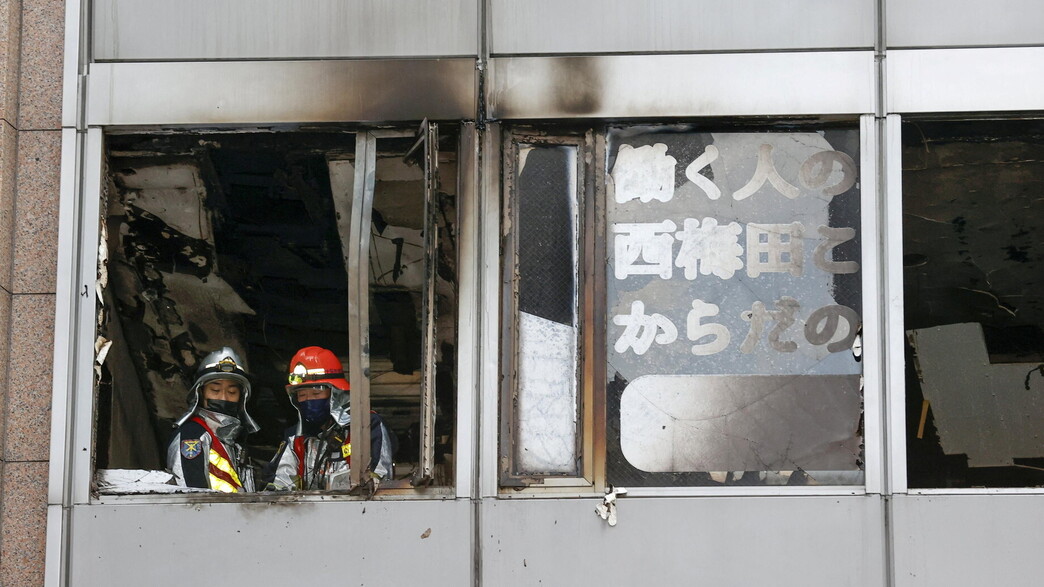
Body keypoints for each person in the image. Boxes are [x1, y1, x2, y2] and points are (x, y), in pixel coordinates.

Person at [267, 346, 395, 491]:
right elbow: (278, 486)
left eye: (316, 394)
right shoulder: (296, 438)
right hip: (307, 512)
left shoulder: (367, 425)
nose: (309, 400)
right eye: (302, 395)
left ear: (336, 394)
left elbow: (380, 480)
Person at [167, 347, 259, 492]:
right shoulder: (192, 435)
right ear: (200, 393)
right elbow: (191, 498)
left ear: (242, 397)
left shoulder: (234, 440)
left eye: (232, 392)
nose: (223, 398)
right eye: (215, 390)